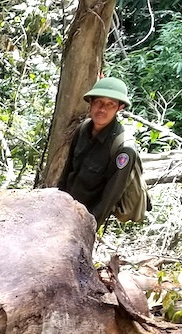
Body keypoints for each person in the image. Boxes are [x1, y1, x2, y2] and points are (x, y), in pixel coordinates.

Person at [57, 76, 142, 228]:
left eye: (110, 104)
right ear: (91, 103)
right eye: (99, 102)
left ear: (119, 108)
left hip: (85, 219)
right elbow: (67, 172)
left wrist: (88, 228)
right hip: (65, 209)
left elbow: (109, 198)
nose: (102, 109)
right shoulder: (82, 129)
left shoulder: (123, 149)